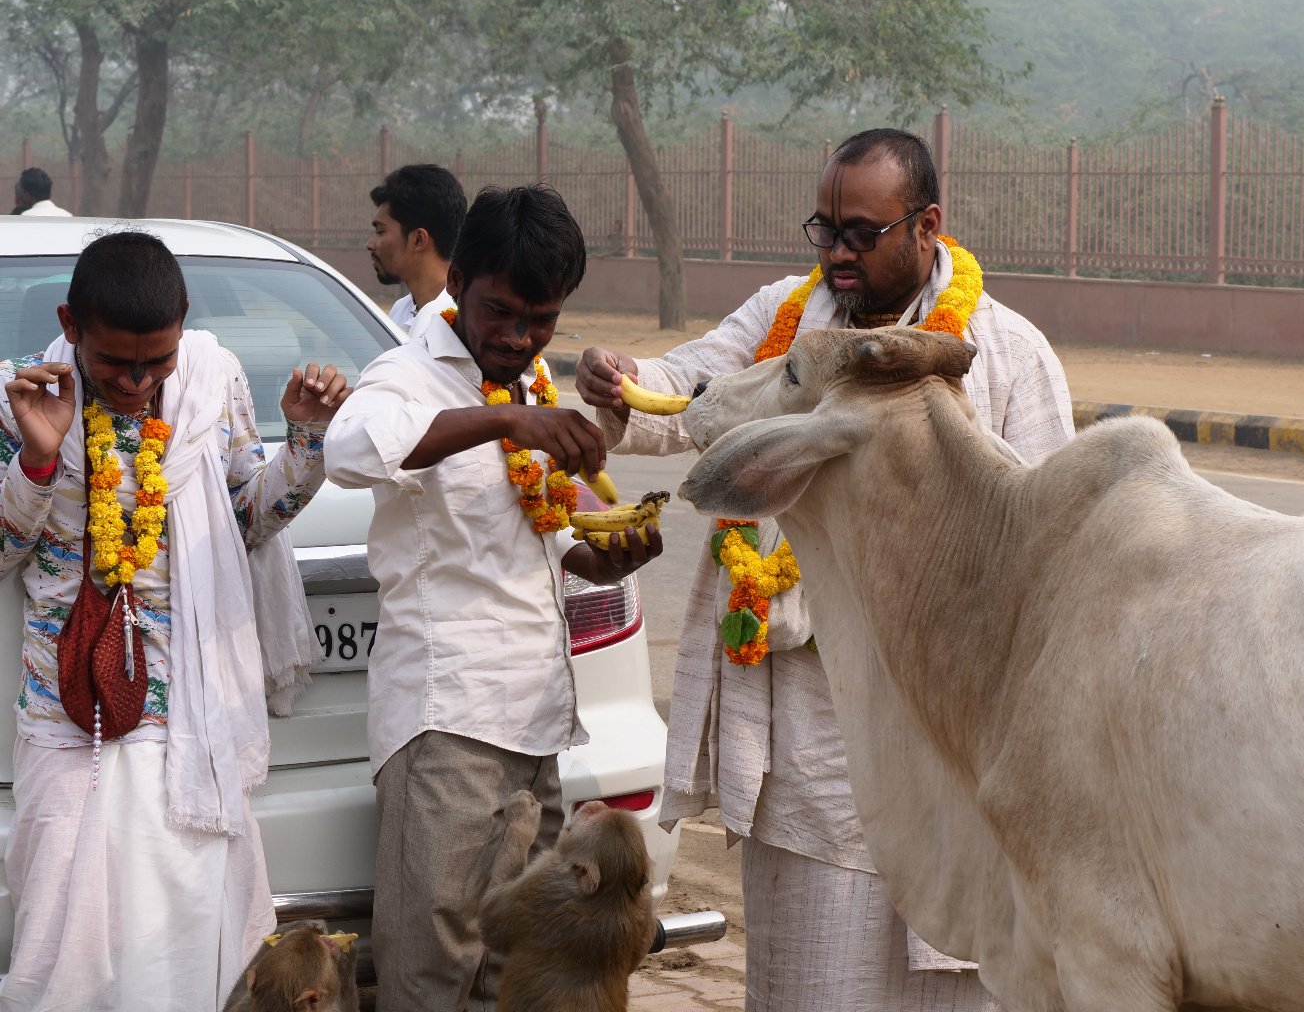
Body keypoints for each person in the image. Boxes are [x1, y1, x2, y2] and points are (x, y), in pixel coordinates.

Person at [577, 129, 1075, 1012]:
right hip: (813, 729)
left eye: (861, 234)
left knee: (958, 975)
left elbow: (1053, 546)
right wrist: (620, 377)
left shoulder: (1007, 351)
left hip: (945, 734)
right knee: (815, 982)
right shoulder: (788, 317)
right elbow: (688, 391)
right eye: (826, 230)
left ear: (927, 227)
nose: (838, 252)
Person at [324, 184, 665, 1011]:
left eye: (539, 320)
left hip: (537, 721)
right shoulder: (407, 370)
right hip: (448, 724)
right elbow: (347, 447)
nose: (517, 336)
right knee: (433, 969)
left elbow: (547, 552)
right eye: (501, 312)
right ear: (460, 281)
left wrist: (612, 557)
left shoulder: (531, 385)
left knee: (508, 971)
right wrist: (502, 423)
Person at [0, 230, 350, 1011]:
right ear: (70, 323)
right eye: (115, 362)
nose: (136, 380)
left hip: (188, 710)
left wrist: (305, 442)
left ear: (183, 328)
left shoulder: (212, 381)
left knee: (185, 918)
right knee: (65, 930)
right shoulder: (23, 396)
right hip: (67, 710)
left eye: (155, 361)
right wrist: (38, 458)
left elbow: (248, 519)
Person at [366, 163, 467, 338]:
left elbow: (534, 365)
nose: (370, 244)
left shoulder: (463, 323)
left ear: (418, 239)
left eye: (381, 231)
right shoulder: (401, 311)